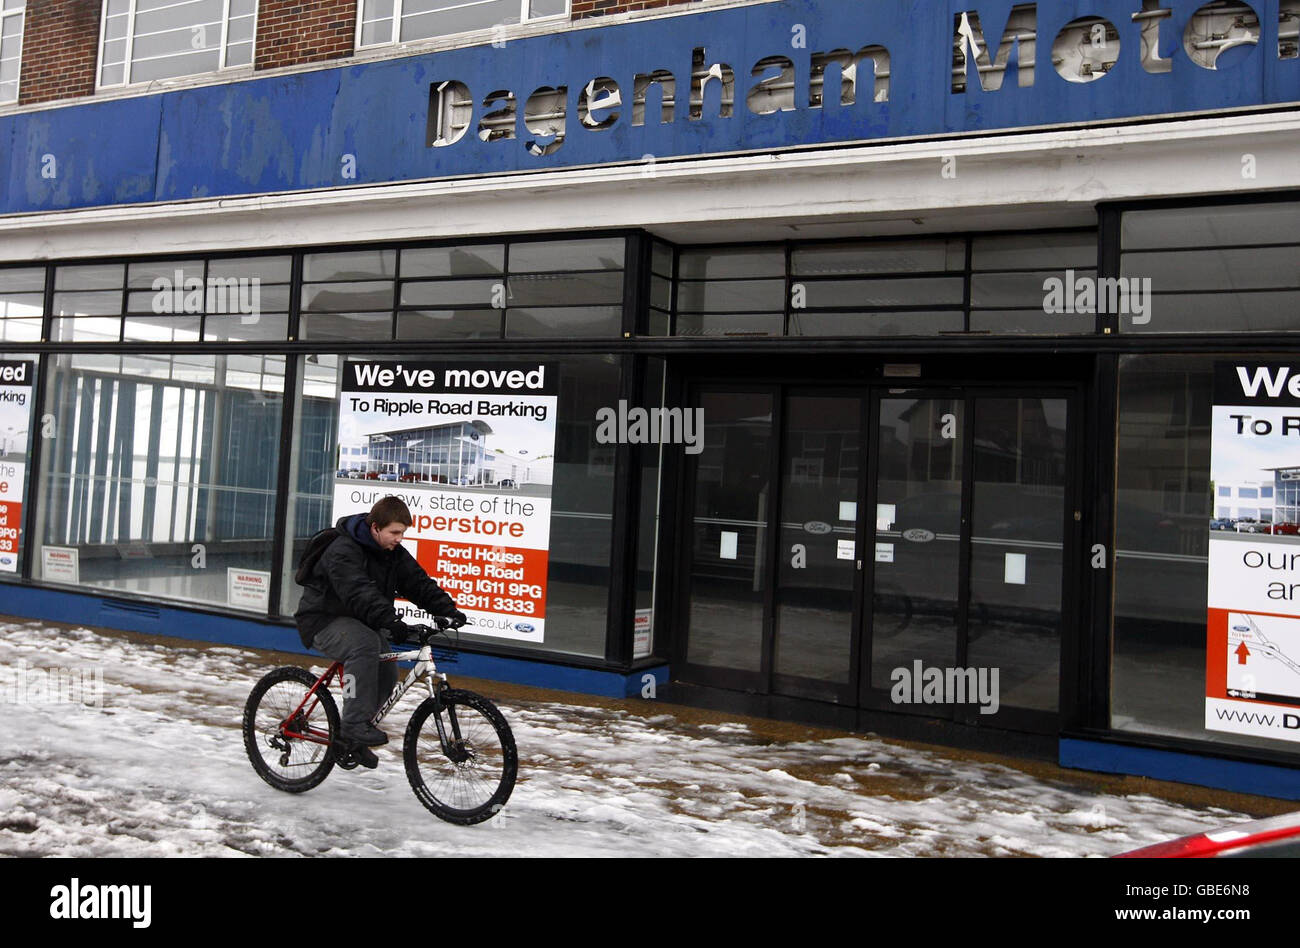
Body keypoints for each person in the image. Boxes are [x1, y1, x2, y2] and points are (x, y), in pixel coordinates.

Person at [294, 495, 466, 769]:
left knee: (385, 667)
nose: (399, 538)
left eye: (403, 533)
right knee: (363, 646)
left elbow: (417, 582)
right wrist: (390, 620)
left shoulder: (392, 552)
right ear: (375, 528)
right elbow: (358, 591)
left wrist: (447, 609)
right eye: (394, 532)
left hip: (360, 621)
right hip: (322, 620)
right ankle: (352, 725)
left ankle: (355, 738)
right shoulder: (343, 550)